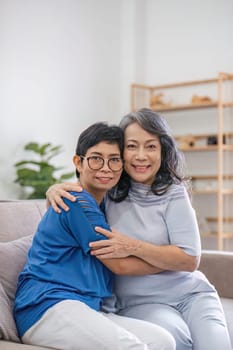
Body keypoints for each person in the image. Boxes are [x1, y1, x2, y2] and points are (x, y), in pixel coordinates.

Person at [46, 109, 232, 350]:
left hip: (193, 294)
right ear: (121, 151)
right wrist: (54, 188)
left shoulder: (174, 193)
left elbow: (189, 260)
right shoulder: (109, 191)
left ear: (163, 150)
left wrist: (133, 246)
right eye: (132, 146)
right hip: (140, 303)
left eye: (151, 147)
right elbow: (81, 192)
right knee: (177, 341)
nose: (141, 156)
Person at [14, 122, 176, 350]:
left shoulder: (107, 205)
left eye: (114, 159)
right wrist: (171, 263)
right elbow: (119, 265)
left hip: (86, 307)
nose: (106, 168)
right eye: (96, 158)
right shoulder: (77, 202)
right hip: (48, 306)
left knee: (163, 341)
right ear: (78, 162)